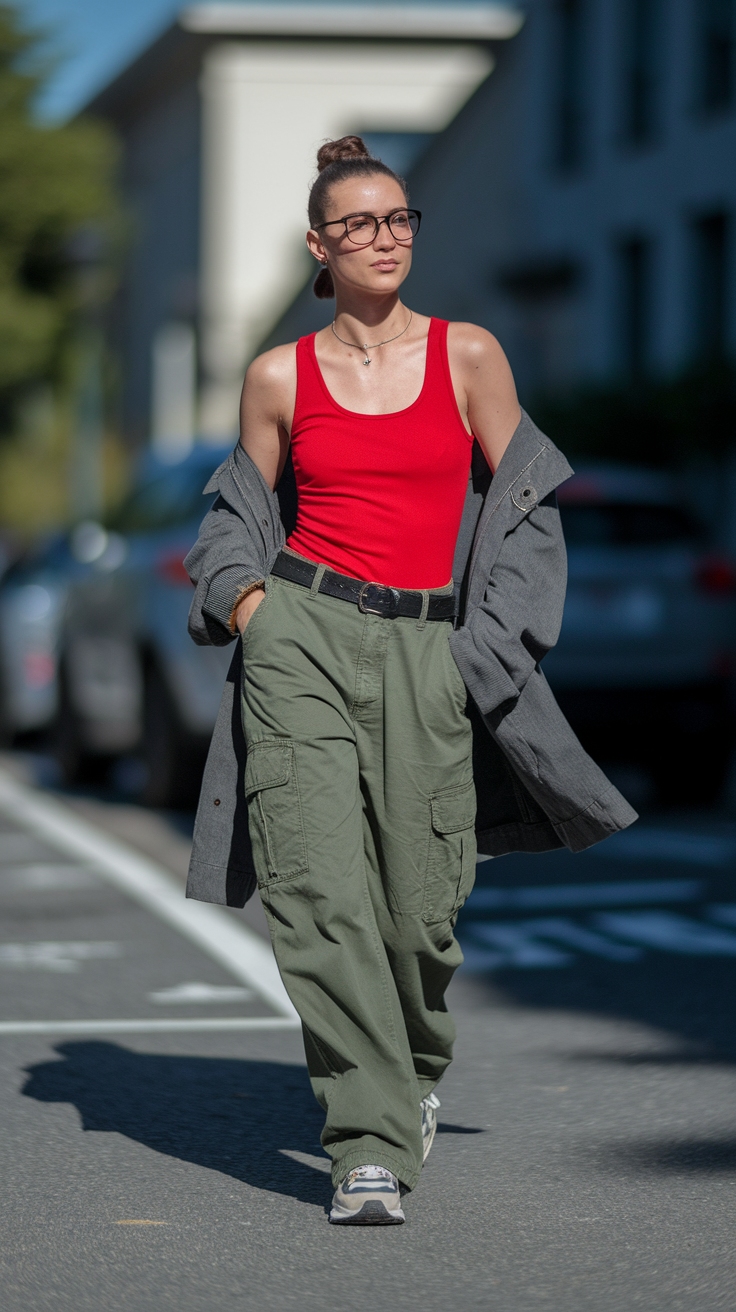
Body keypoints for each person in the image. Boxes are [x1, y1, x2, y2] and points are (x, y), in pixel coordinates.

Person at [183, 136, 637, 1226]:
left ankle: (409, 1068)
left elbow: (526, 508)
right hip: (302, 641)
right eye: (359, 226)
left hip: (427, 653)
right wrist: (257, 611)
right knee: (315, 895)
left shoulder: (470, 355)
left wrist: (478, 650)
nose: (384, 239)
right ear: (318, 246)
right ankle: (367, 1142)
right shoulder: (278, 376)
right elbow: (231, 522)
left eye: (398, 221)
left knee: (417, 913)